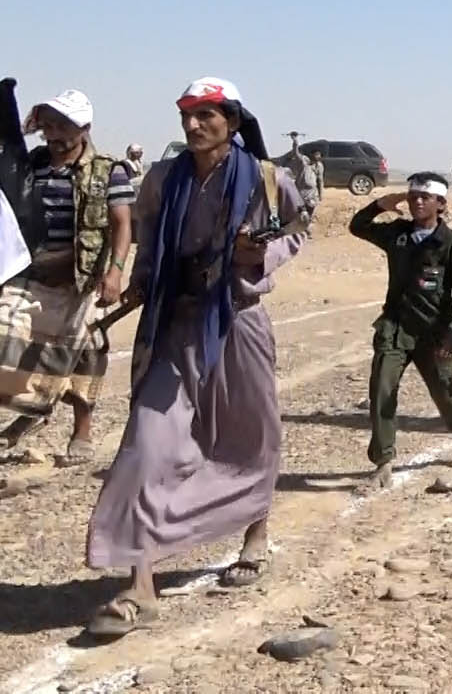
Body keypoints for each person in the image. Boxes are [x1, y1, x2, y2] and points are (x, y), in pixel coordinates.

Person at [84, 78, 307, 637]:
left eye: (205, 115)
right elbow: (148, 234)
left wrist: (259, 253)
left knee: (250, 435)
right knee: (146, 444)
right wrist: (138, 279)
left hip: (238, 317)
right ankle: (139, 584)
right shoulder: (162, 178)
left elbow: (297, 228)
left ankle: (255, 532)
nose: (192, 125)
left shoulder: (266, 177)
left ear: (231, 121)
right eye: (186, 114)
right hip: (175, 322)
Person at [0, 90, 134, 466]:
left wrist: (115, 272)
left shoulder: (109, 171)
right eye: (48, 126)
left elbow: (122, 224)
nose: (53, 135)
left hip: (81, 279)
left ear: (84, 128)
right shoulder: (32, 165)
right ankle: (32, 409)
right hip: (32, 275)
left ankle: (82, 433)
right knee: (7, 339)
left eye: (63, 127)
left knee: (85, 354)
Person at [349, 172, 452, 489]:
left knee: (443, 390)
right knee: (382, 388)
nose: (417, 201)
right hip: (395, 328)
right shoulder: (398, 234)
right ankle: (383, 461)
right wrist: (381, 204)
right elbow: (358, 226)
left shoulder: (451, 243)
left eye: (425, 197)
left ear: (441, 204)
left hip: (434, 331)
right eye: (412, 196)